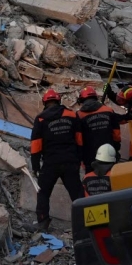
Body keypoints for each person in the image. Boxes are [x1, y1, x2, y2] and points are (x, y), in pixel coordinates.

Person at [30, 89, 84, 231]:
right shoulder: (72, 115)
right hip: (70, 161)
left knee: (43, 192)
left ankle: (42, 221)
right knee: (77, 194)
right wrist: (79, 160)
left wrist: (35, 166)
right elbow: (79, 139)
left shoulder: (41, 118)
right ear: (59, 100)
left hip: (51, 163)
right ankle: (87, 221)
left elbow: (36, 145)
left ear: (45, 103)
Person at [77, 87, 121, 169]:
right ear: (95, 97)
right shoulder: (109, 110)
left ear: (81, 100)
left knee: (91, 177)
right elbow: (116, 132)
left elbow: (79, 138)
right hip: (108, 151)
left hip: (89, 153)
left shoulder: (79, 115)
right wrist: (116, 146)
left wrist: (80, 153)